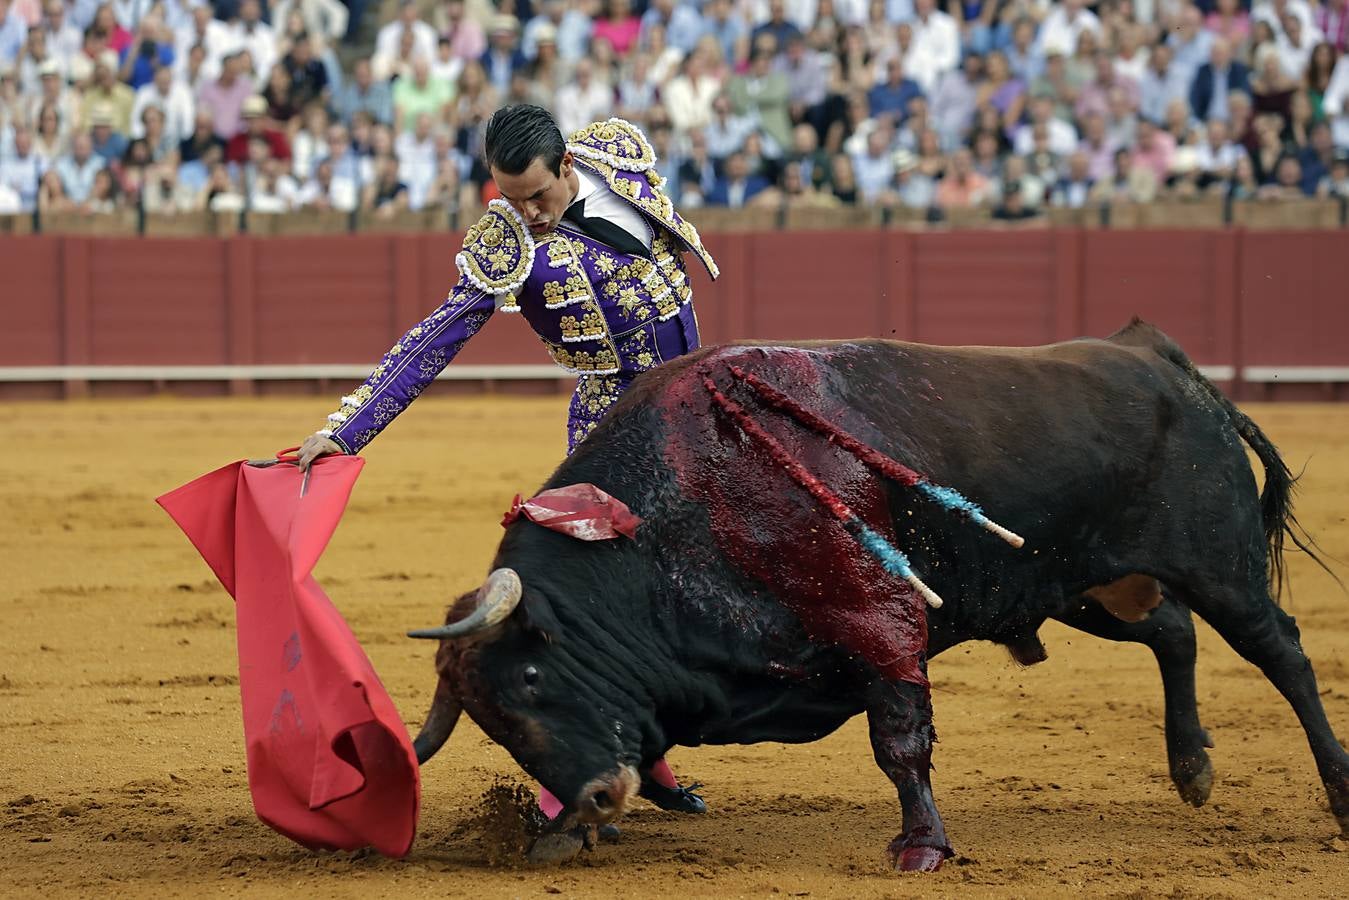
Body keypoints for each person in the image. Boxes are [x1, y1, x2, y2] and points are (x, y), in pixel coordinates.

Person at [292, 104, 718, 821]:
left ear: (568, 167)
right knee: (614, 602)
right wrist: (348, 429)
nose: (525, 214)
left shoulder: (617, 156)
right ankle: (574, 782)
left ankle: (652, 761)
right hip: (611, 431)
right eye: (507, 198)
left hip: (698, 405)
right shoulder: (507, 242)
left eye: (536, 196)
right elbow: (434, 338)